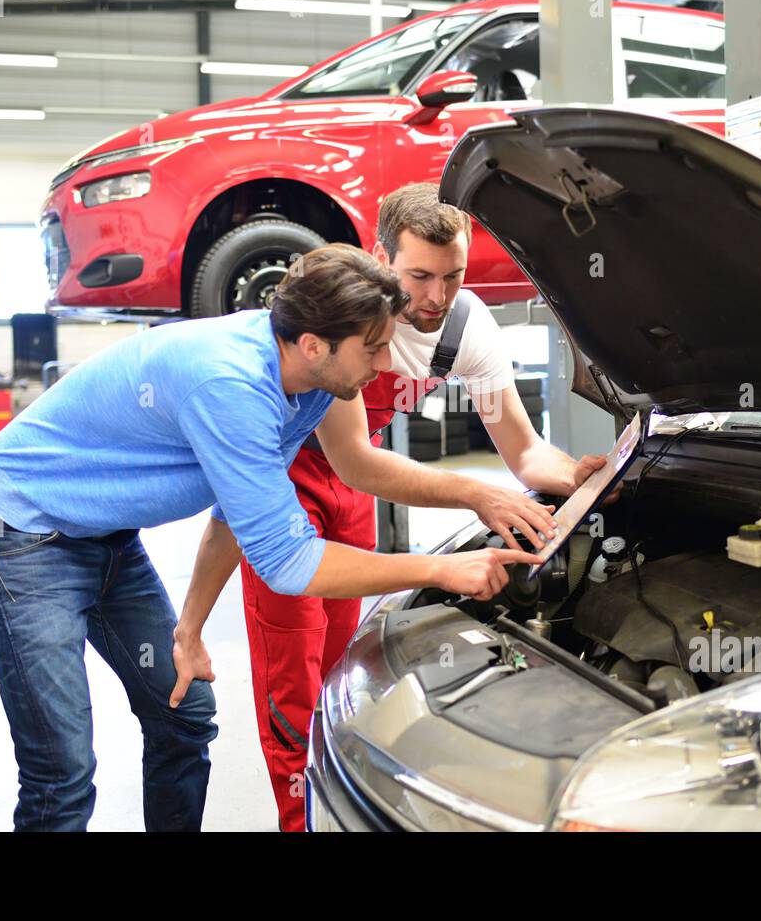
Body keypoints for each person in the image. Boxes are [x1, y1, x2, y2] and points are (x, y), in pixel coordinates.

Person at [0, 243, 544, 831]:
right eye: (372, 348)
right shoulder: (231, 386)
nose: (386, 362)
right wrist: (439, 570)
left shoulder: (312, 384)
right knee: (60, 767)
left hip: (105, 534)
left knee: (182, 715)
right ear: (316, 344)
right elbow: (289, 563)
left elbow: (233, 518)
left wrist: (187, 632)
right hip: (22, 533)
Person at [194, 182, 611, 831]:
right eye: (419, 275)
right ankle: (299, 822)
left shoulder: (468, 327)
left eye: (454, 275)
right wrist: (474, 491)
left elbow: (525, 453)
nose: (437, 297)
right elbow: (352, 455)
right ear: (380, 256)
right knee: (294, 688)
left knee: (346, 674)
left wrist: (587, 474)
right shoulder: (340, 313)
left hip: (356, 490)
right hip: (288, 487)